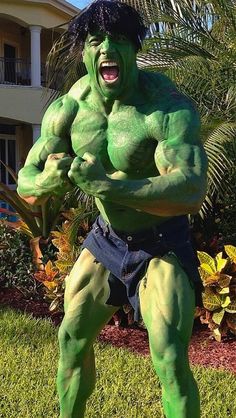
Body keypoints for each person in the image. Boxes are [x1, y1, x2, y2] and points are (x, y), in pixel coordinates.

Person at [17, 1, 208, 417]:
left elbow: (191, 188)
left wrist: (107, 187)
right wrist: (48, 182)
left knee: (171, 360)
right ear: (83, 52)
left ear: (134, 50)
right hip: (106, 241)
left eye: (119, 40)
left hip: (159, 244)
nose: (107, 48)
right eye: (96, 40)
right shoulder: (69, 108)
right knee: (71, 338)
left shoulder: (165, 107)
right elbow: (27, 184)